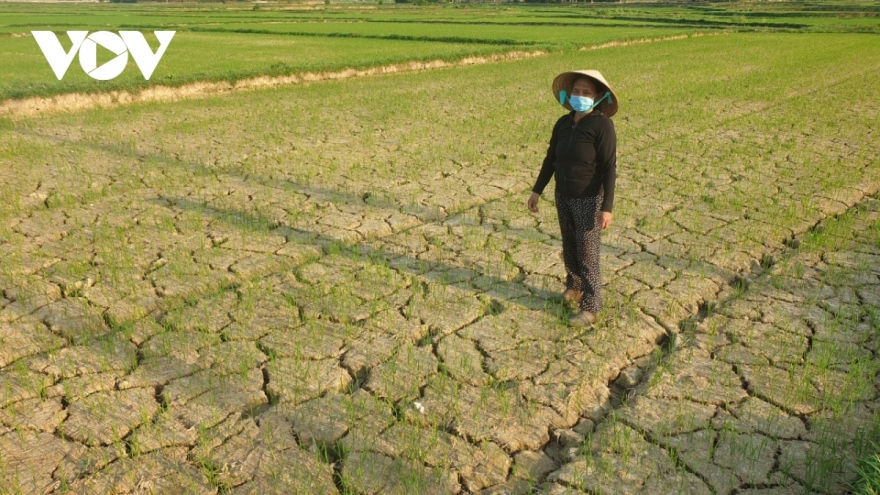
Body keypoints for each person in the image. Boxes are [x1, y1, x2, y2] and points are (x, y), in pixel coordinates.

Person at [527, 70, 618, 326]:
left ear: (598, 97)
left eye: (586, 93)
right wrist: (537, 190)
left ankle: (591, 307)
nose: (580, 96)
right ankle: (574, 288)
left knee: (588, 253)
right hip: (563, 195)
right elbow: (550, 160)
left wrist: (606, 207)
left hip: (589, 199)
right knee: (570, 247)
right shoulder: (563, 124)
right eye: (577, 91)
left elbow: (610, 167)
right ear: (569, 94)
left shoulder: (602, 126)